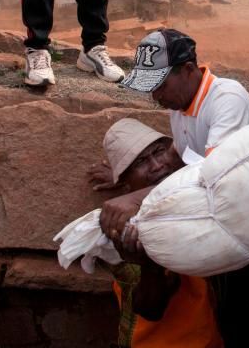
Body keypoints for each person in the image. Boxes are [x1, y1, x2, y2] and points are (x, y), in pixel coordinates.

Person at [97, 29, 249, 347]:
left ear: (188, 70)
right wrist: (121, 173)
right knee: (223, 311)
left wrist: (134, 197)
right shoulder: (179, 105)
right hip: (222, 225)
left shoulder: (226, 99)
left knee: (243, 318)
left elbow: (213, 172)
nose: (155, 97)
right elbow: (181, 155)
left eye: (160, 85)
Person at [95, 118, 224, 348]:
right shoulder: (126, 226)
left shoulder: (183, 197)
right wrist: (150, 265)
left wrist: (136, 187)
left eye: (159, 152)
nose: (157, 165)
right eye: (141, 162)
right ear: (125, 183)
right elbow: (150, 309)